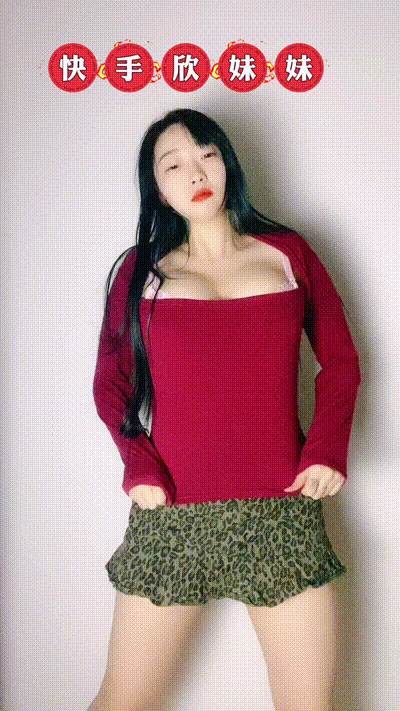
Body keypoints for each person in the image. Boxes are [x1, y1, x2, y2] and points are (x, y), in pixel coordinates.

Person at [88, 109, 361, 711]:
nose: (194, 174)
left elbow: (340, 362)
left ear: (227, 162)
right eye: (174, 165)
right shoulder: (141, 272)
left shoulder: (289, 253)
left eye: (206, 155)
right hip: (172, 515)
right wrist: (138, 463)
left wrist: (326, 448)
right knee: (122, 701)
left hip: (282, 513)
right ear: (157, 187)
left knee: (311, 705)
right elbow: (111, 381)